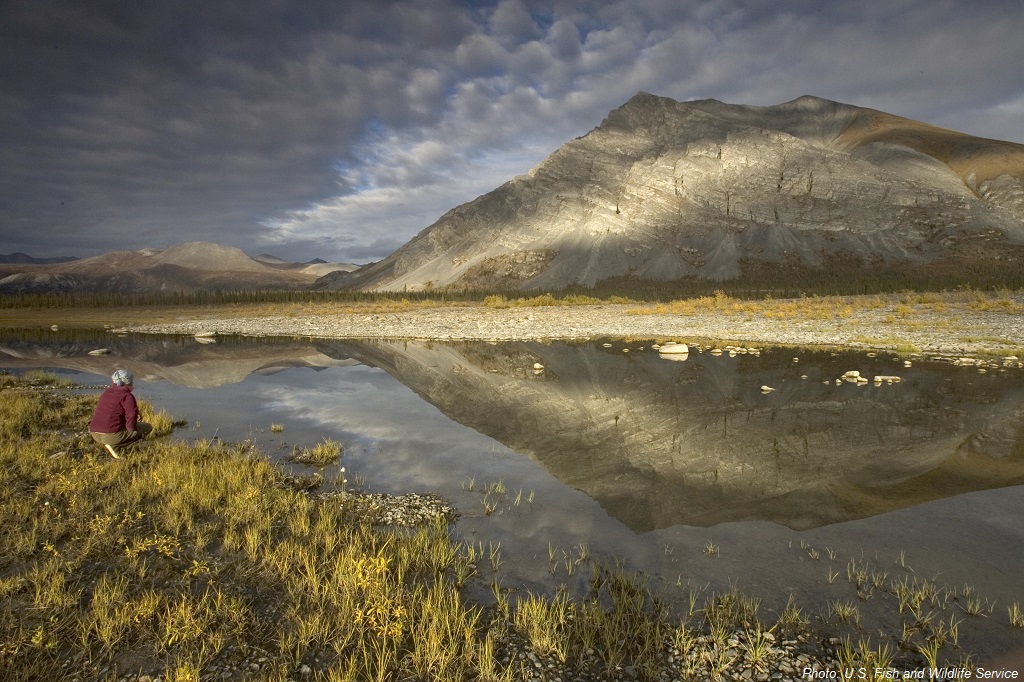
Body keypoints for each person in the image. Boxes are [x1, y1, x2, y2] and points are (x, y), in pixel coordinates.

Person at [89, 369, 152, 458]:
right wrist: (131, 430)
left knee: (125, 428)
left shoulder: (107, 392)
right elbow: (131, 415)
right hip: (109, 435)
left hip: (94, 433)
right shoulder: (127, 396)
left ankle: (114, 444)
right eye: (131, 381)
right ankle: (116, 446)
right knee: (147, 427)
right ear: (128, 382)